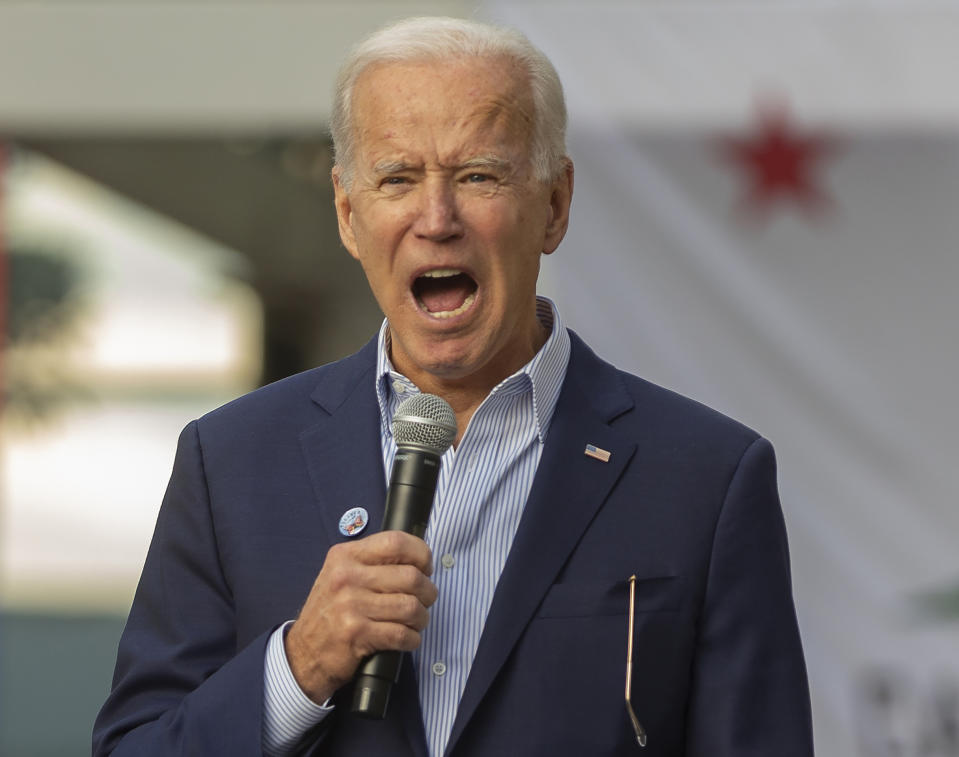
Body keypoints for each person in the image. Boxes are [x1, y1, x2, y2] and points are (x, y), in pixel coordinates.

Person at [93, 16, 813, 757]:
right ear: (348, 213)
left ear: (555, 205)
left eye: (478, 175)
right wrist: (298, 667)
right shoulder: (230, 461)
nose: (435, 220)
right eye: (397, 178)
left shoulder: (707, 477)